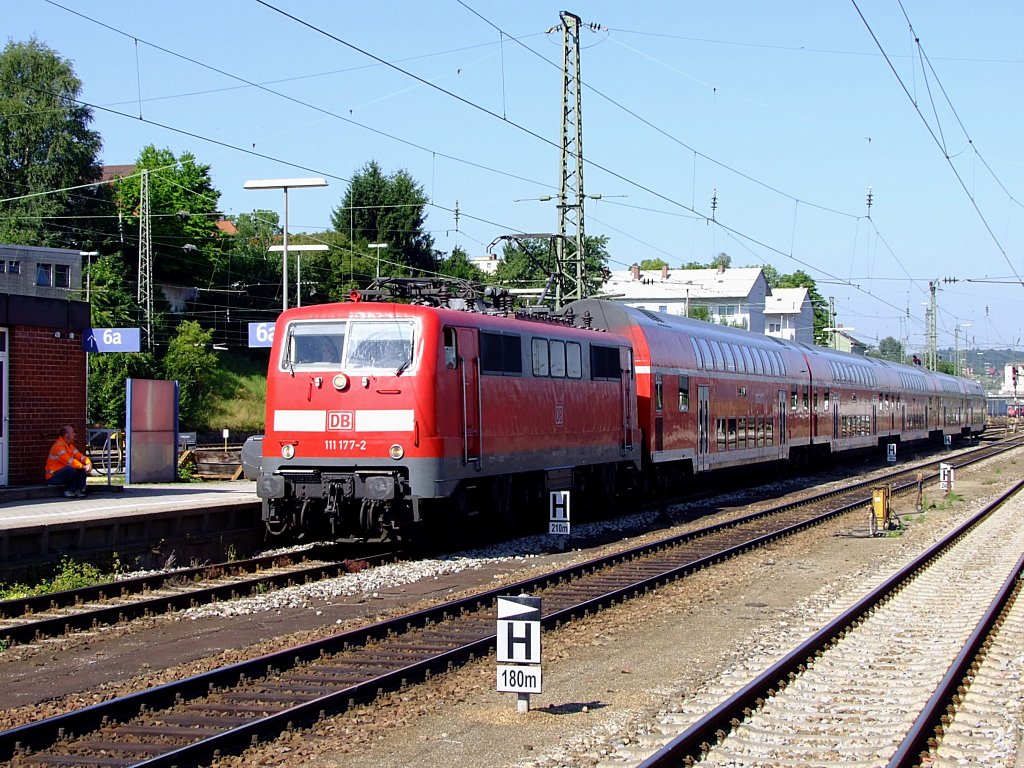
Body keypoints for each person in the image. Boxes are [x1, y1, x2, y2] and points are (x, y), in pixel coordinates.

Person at [45, 425, 93, 498]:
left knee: (77, 469)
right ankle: (69, 491)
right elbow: (69, 462)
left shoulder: (70, 446)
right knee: (72, 469)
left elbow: (80, 456)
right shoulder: (58, 446)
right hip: (53, 477)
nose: (74, 434)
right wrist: (84, 467)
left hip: (62, 474)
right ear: (66, 435)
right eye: (72, 432)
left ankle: (78, 490)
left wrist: (88, 463)